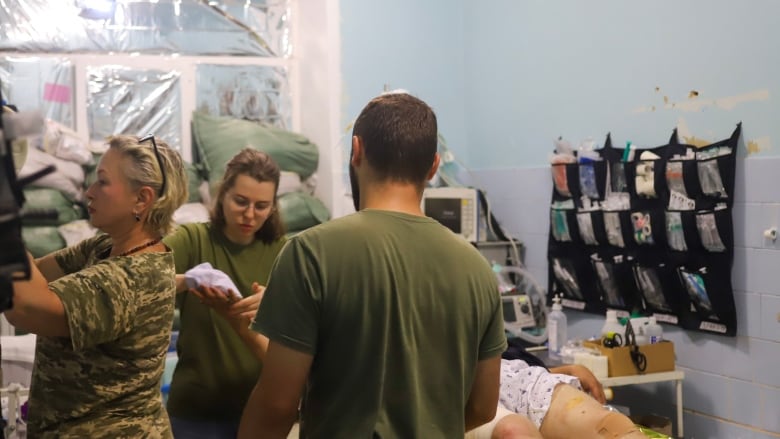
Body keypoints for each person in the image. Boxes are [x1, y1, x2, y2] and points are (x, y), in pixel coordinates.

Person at [237, 91, 507, 438]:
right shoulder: (478, 269)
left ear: (357, 151)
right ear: (434, 167)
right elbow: (484, 406)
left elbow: (276, 405)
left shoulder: (310, 253)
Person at [6, 134, 187, 437]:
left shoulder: (134, 277)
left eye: (102, 182)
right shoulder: (103, 247)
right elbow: (33, 274)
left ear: (142, 199)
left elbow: (25, 307)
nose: (89, 192)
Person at [162, 148, 287, 438]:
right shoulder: (194, 240)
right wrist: (187, 280)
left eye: (262, 206)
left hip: (260, 411)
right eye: (240, 202)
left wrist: (279, 302)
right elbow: (144, 275)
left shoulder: (284, 254)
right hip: (196, 412)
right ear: (223, 193)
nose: (249, 214)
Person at [468, 358, 645, 439]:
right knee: (514, 432)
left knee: (613, 429)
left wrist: (566, 370)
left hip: (513, 378)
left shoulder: (479, 291)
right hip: (460, 394)